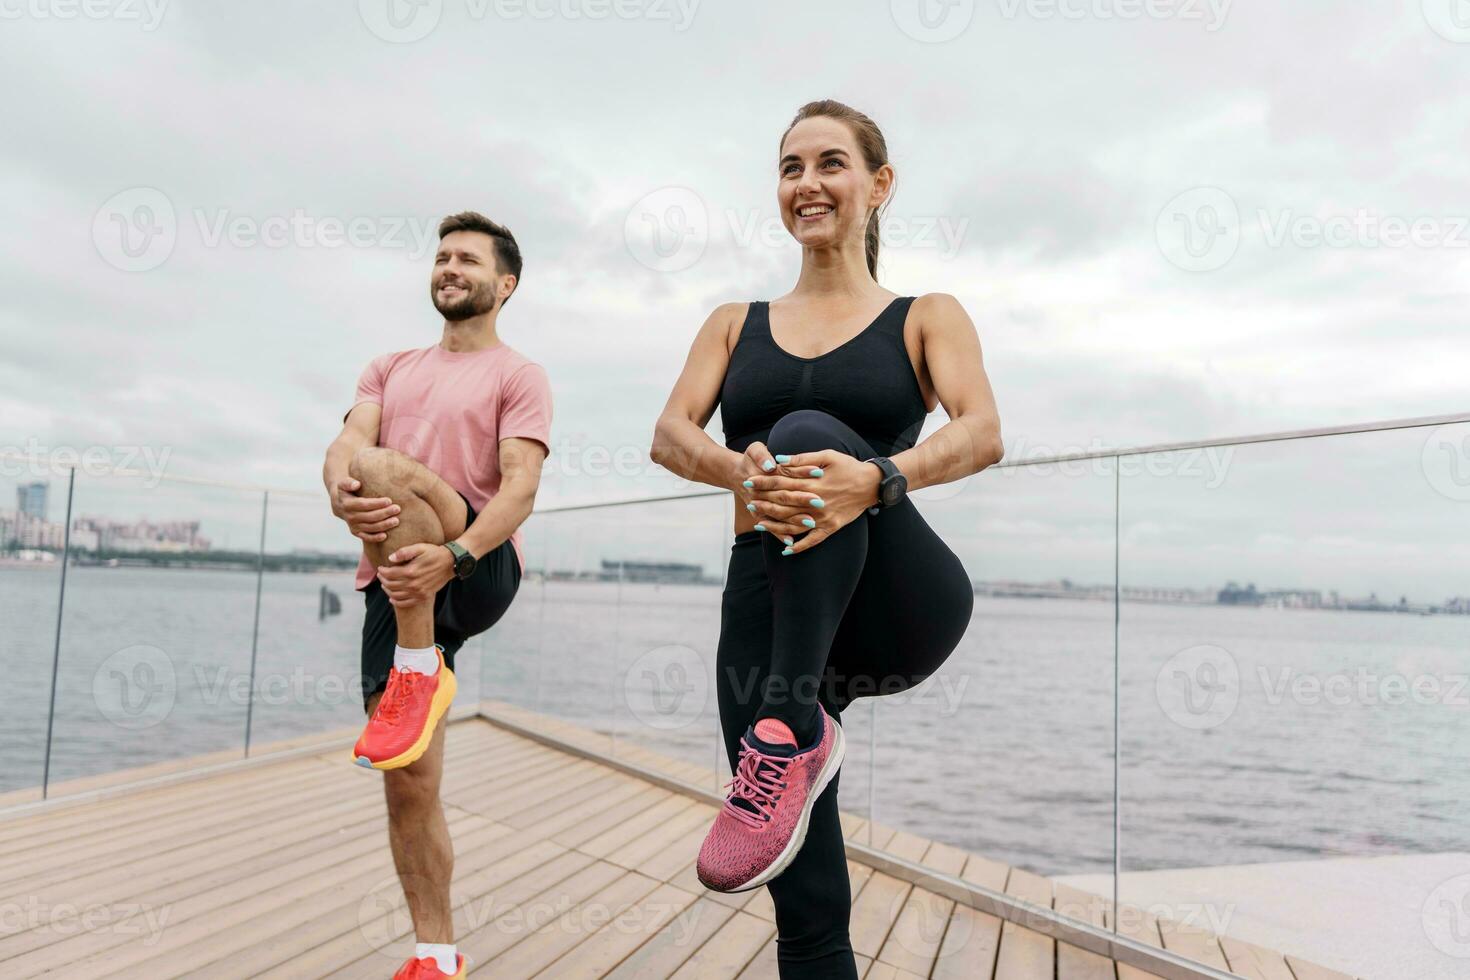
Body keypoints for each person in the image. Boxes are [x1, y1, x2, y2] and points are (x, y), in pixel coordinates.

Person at [650, 99, 1003, 978]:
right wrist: (741, 472)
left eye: (830, 164)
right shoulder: (735, 321)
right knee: (801, 901)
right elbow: (669, 435)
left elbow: (982, 431)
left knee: (810, 427)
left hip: (890, 598)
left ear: (878, 185)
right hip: (766, 611)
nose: (807, 183)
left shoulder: (927, 315)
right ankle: (792, 729)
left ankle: (786, 729)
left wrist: (880, 477)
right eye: (790, 167)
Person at [321, 211, 552, 980]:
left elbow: (520, 487)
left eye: (468, 259)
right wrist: (337, 492)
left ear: (505, 283)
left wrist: (455, 554)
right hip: (391, 582)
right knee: (408, 784)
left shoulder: (517, 375)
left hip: (475, 562)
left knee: (383, 470)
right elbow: (347, 443)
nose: (450, 267)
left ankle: (418, 670)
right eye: (442, 257)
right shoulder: (388, 367)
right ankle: (434, 953)